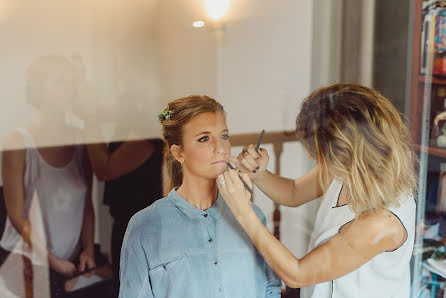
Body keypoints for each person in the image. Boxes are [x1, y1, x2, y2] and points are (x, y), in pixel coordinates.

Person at [217, 83, 417, 298]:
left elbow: (297, 274)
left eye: (316, 152)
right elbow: (293, 193)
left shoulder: (381, 222)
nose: (310, 157)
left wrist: (243, 211)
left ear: (347, 150)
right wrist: (260, 175)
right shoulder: (348, 170)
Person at [119, 95, 281, 298]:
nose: (220, 148)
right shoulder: (145, 227)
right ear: (178, 153)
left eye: (224, 136)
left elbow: (272, 289)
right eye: (204, 139)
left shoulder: (252, 216)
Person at [0, 55, 96, 297]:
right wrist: (51, 260)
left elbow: (86, 205)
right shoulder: (19, 142)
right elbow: (16, 215)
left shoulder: (82, 139)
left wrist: (88, 250)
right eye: (59, 82)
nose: (70, 89)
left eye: (71, 82)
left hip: (72, 261)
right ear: (39, 91)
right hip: (26, 261)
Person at [87, 138, 164, 297]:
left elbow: (105, 169)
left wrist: (90, 122)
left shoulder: (145, 136)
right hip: (127, 224)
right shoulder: (128, 131)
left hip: (144, 230)